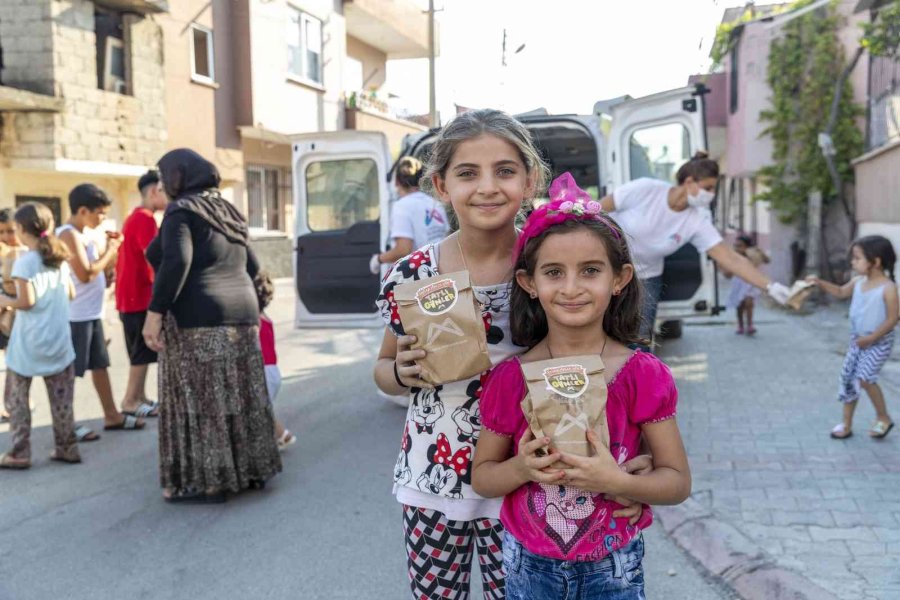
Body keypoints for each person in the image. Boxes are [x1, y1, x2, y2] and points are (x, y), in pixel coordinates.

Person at [373, 111, 647, 599]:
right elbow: (383, 370)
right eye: (467, 173)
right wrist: (399, 372)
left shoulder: (552, 267)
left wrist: (634, 456)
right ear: (440, 185)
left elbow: (606, 361)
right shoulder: (415, 272)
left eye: (504, 170)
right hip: (432, 478)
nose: (487, 187)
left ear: (530, 179)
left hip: (533, 484)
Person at [471, 174, 691, 599]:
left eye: (590, 271)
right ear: (529, 283)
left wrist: (621, 482)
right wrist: (521, 469)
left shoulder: (641, 375)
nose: (571, 288)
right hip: (527, 566)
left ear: (619, 278)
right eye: (554, 272)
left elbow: (677, 482)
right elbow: (484, 477)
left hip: (614, 566)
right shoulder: (511, 379)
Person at [142, 148, 281, 503]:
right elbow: (252, 265)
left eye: (163, 176)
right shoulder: (226, 210)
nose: (161, 184)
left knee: (202, 399)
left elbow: (177, 261)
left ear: (177, 178)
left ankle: (213, 478)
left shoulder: (181, 211)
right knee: (238, 393)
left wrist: (154, 313)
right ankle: (251, 469)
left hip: (199, 319)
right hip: (243, 316)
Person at [599, 151, 791, 341]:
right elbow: (595, 211)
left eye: (713, 190)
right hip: (609, 270)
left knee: (639, 339)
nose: (711, 195)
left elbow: (731, 259)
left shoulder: (696, 221)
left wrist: (771, 287)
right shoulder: (646, 189)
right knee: (602, 329)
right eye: (708, 188)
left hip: (647, 278)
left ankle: (635, 372)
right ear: (689, 182)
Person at [58, 183, 143, 440]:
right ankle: (66, 424)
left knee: (100, 365)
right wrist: (111, 252)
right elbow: (85, 274)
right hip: (76, 315)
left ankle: (111, 414)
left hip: (91, 313)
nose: (103, 218)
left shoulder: (85, 234)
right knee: (69, 373)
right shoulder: (68, 234)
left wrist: (109, 264)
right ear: (83, 210)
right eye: (100, 213)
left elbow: (97, 274)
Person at [0, 203, 79, 469]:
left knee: (17, 400)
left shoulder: (25, 262)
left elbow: (26, 301)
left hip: (28, 344)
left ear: (22, 230)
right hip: (58, 340)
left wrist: (4, 300)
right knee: (62, 401)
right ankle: (67, 447)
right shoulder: (58, 258)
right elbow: (71, 294)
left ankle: (20, 453)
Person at [807, 235, 898, 440]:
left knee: (865, 378)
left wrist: (873, 338)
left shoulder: (889, 288)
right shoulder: (858, 281)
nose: (852, 262)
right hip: (858, 340)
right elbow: (840, 292)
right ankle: (846, 424)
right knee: (849, 379)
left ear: (875, 262)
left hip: (879, 341)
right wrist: (819, 282)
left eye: (857, 258)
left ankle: (883, 418)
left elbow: (893, 319)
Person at [115, 169, 168, 419]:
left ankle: (140, 396)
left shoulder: (134, 217)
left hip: (130, 296)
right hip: (139, 296)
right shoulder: (145, 219)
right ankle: (129, 400)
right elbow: (154, 259)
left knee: (142, 351)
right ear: (153, 191)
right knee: (141, 350)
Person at [369, 156, 449, 274]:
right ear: (420, 180)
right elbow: (447, 237)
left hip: (418, 276)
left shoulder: (402, 206)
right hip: (442, 271)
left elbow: (403, 249)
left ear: (396, 182)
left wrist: (378, 259)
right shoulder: (435, 204)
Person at [253, 270, 296, 450]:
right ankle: (276, 438)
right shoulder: (266, 318)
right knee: (261, 409)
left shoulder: (254, 321)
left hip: (263, 371)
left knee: (260, 410)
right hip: (272, 371)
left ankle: (283, 436)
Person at [0, 208, 26, 423]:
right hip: (4, 314)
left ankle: (14, 401)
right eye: (1, 232)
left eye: (10, 231)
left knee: (14, 363)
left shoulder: (26, 254)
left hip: (17, 316)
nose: (6, 237)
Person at [723, 234, 770, 335]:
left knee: (749, 303)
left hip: (751, 282)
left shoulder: (752, 256)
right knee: (740, 305)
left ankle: (750, 325)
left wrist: (760, 252)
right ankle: (740, 325)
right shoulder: (734, 257)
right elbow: (727, 274)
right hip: (738, 283)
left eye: (740, 246)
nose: (737, 248)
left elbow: (767, 261)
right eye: (736, 245)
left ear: (746, 247)